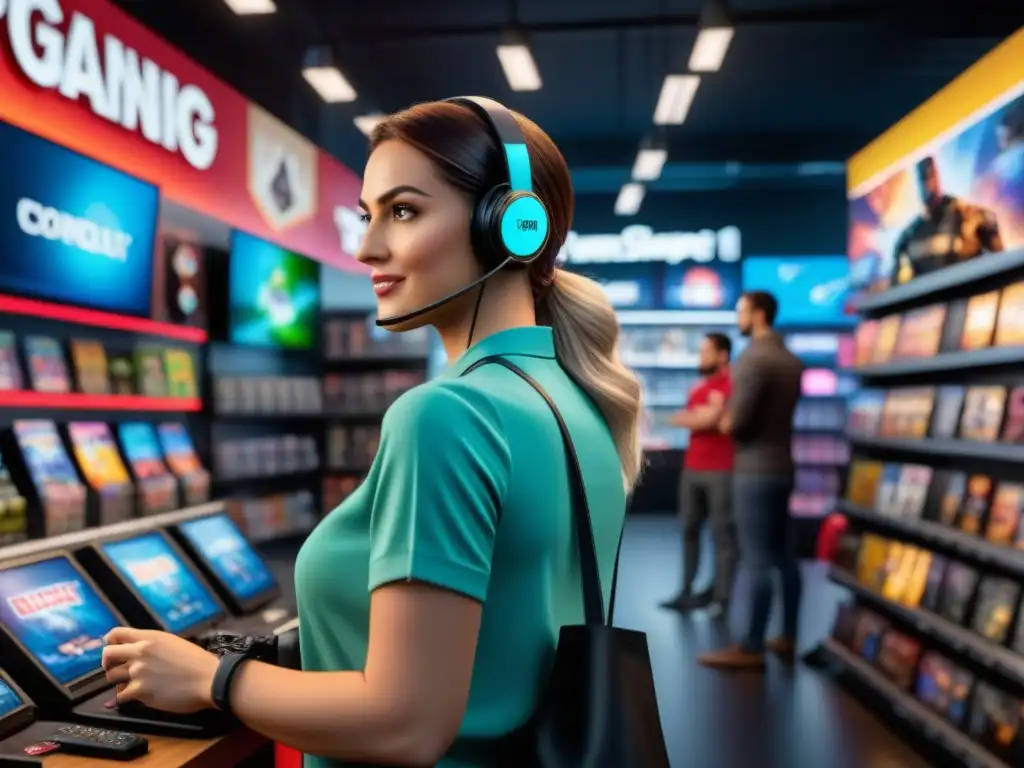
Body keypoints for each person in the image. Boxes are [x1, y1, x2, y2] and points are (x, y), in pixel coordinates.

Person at [99, 98, 644, 766]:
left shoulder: (447, 416)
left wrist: (209, 678)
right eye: (367, 215)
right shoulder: (579, 402)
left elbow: (404, 724)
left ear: (510, 229)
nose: (365, 247)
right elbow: (504, 631)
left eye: (404, 211)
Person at [698, 290, 803, 670]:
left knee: (756, 558)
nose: (738, 318)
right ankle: (788, 636)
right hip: (784, 466)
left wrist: (721, 416)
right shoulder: (791, 360)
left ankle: (751, 647)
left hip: (754, 471)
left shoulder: (752, 359)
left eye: (741, 311)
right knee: (786, 558)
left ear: (758, 315)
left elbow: (737, 424)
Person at [661, 332, 736, 616]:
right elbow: (699, 418)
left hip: (722, 469)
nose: (701, 358)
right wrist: (700, 417)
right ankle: (686, 591)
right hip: (693, 468)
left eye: (706, 352)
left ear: (722, 355)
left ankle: (721, 598)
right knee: (689, 530)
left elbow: (708, 419)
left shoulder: (733, 385)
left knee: (722, 535)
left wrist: (698, 417)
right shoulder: (699, 389)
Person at [890, 155, 1004, 286]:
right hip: (931, 303)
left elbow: (1002, 263)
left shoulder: (971, 216)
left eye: (930, 176)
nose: (927, 184)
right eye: (922, 179)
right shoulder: (908, 236)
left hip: (972, 299)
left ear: (937, 177)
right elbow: (898, 288)